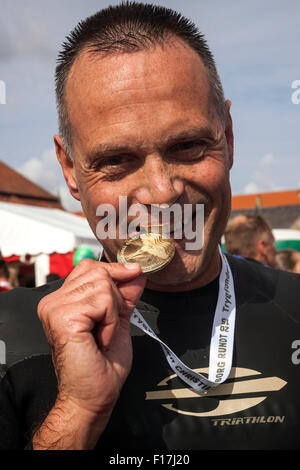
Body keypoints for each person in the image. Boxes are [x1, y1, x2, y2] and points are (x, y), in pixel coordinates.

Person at [0, 2, 299, 451]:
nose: (161, 193)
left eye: (188, 146)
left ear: (229, 136)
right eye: (117, 160)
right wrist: (79, 413)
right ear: (69, 169)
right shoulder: (10, 337)